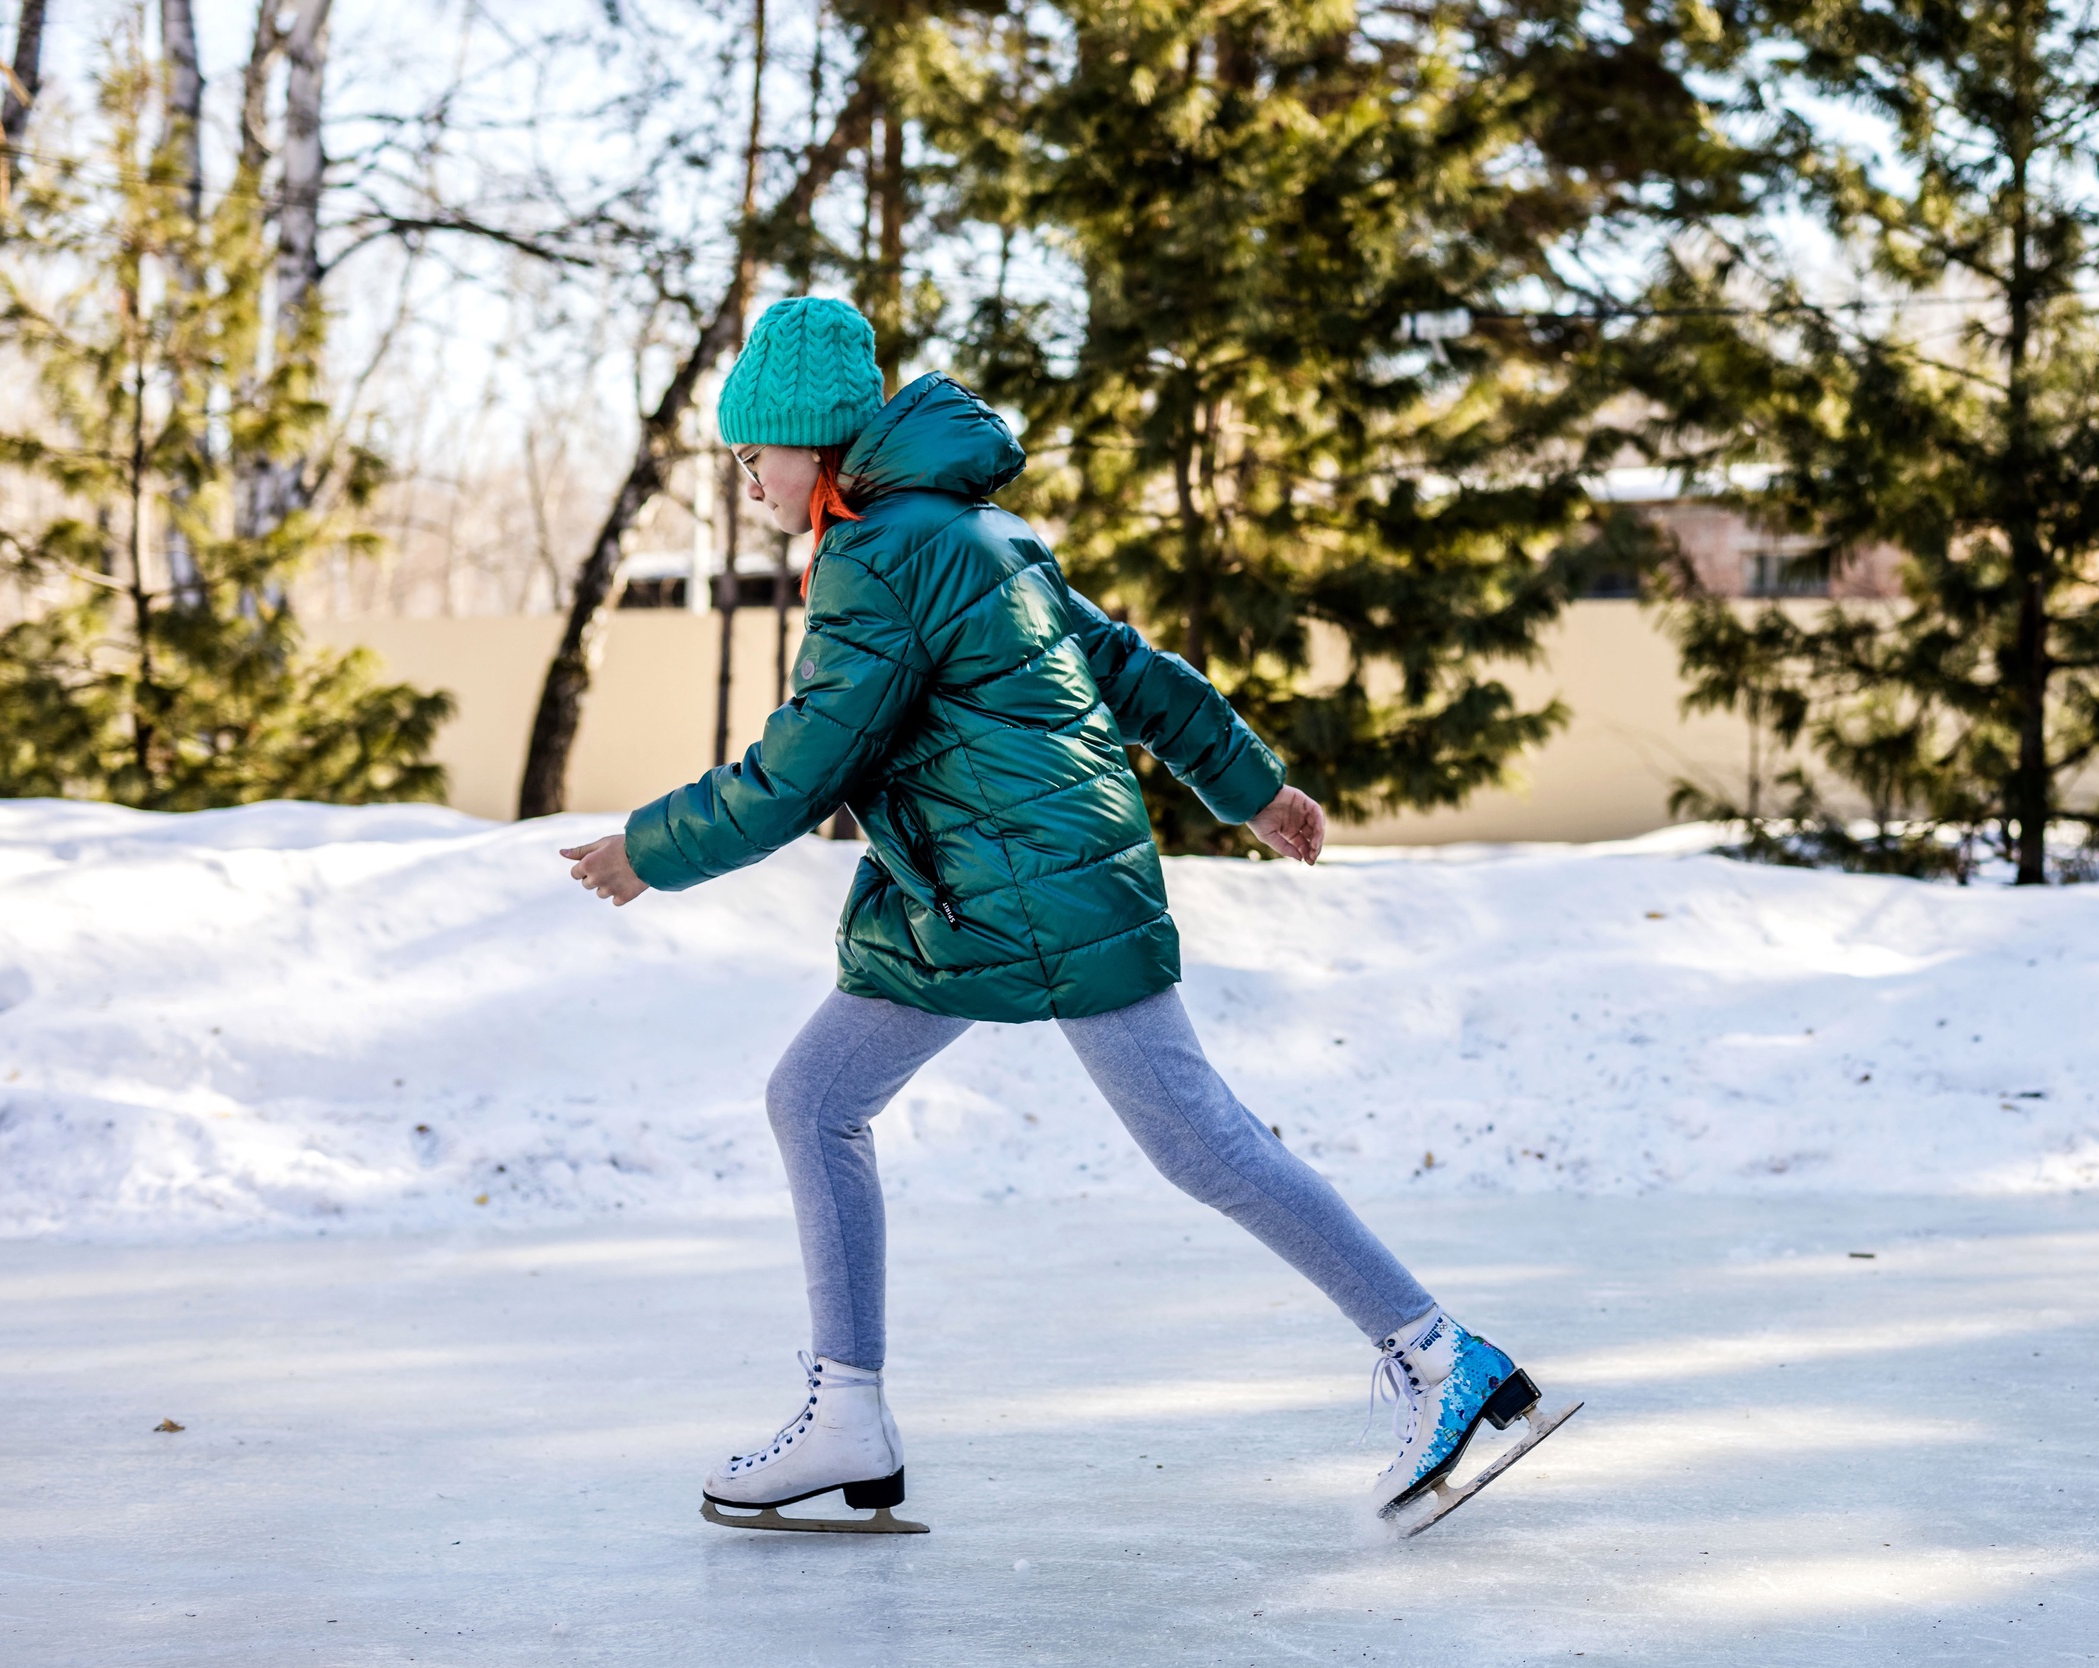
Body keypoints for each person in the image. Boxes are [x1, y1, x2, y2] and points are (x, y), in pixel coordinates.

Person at [558, 295, 1560, 1532]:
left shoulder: (881, 557)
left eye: (753, 453)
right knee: (814, 1099)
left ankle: (1441, 1358)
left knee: (1198, 1141)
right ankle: (847, 1414)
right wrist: (1251, 787)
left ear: (810, 447)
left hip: (1035, 891)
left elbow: (806, 764)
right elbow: (1126, 666)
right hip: (981, 892)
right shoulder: (973, 530)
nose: (747, 480)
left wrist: (648, 851)